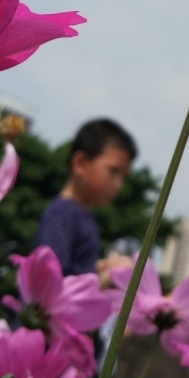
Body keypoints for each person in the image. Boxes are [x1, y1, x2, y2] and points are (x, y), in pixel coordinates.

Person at [33, 118, 137, 287]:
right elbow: (50, 282)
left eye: (123, 177)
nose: (118, 184)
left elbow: (74, 269)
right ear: (80, 163)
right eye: (113, 171)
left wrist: (98, 267)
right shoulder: (63, 213)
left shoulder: (84, 215)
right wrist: (104, 280)